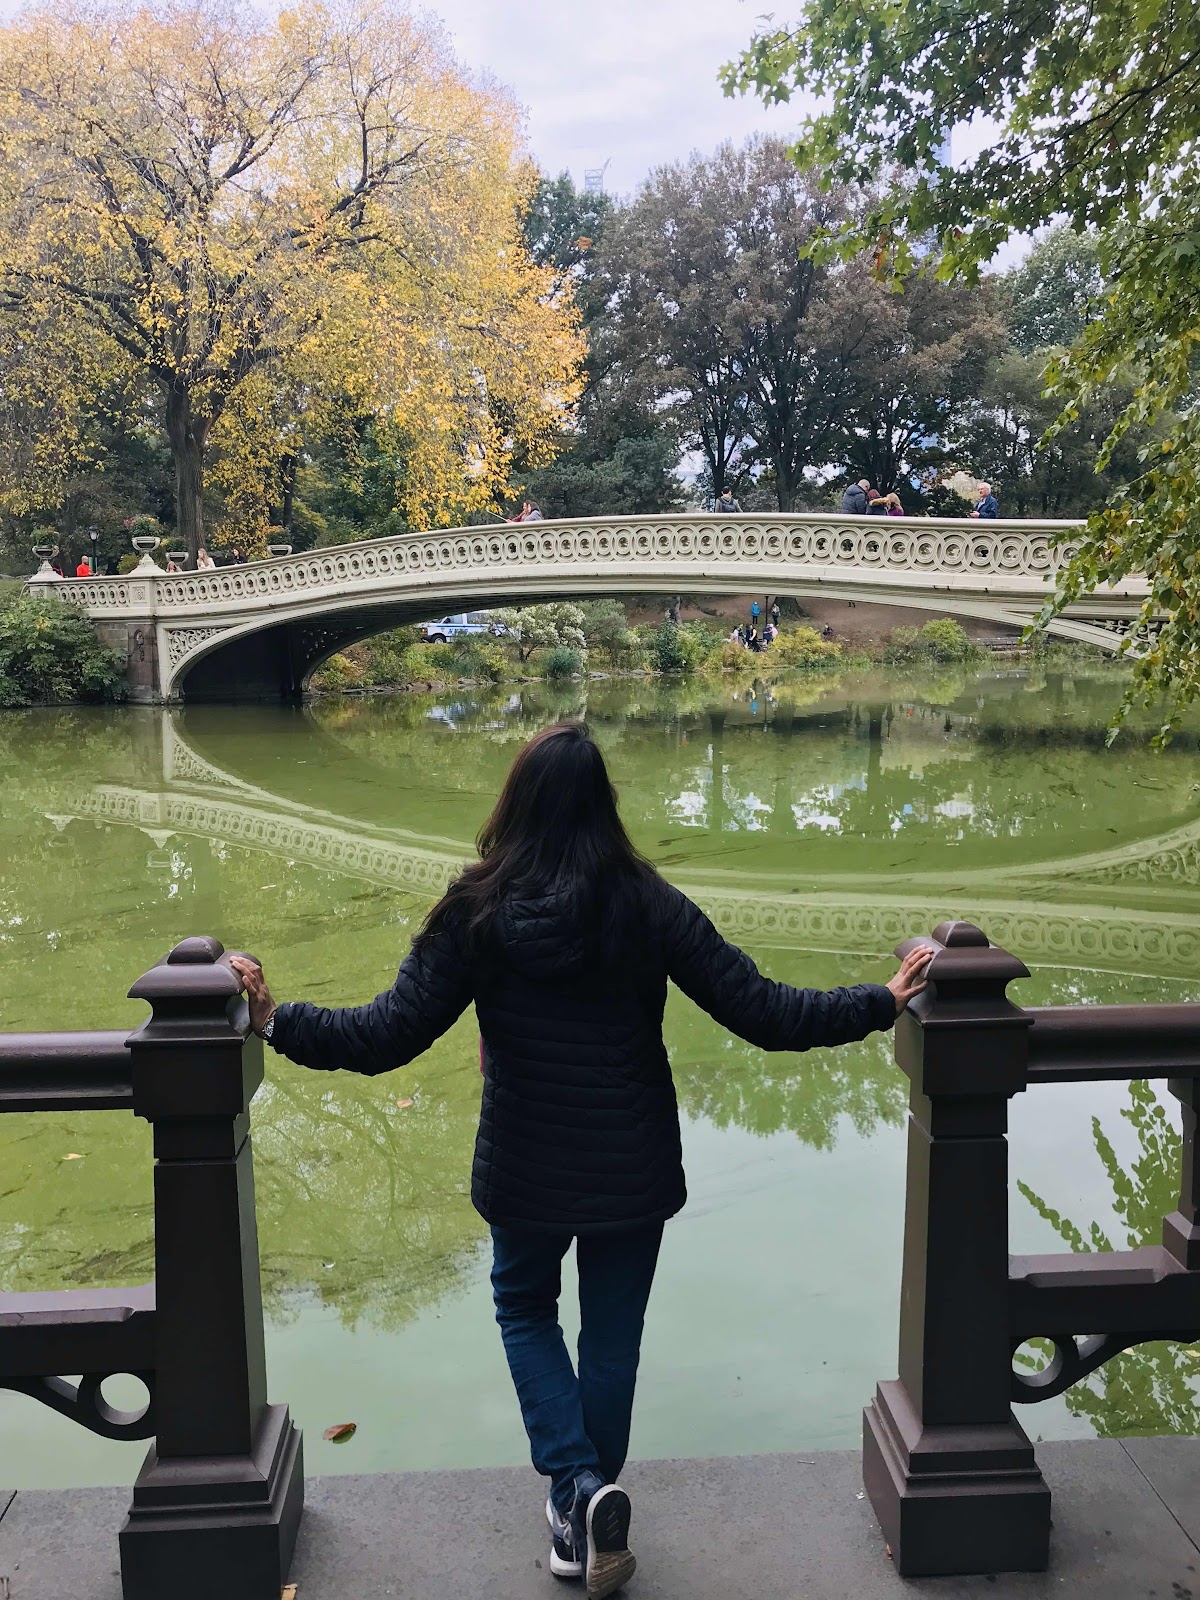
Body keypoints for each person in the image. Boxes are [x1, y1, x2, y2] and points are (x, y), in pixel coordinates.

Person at [229, 724, 933, 1599]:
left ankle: (578, 1490)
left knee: (524, 1309)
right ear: (605, 807)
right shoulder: (648, 903)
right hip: (630, 1163)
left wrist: (272, 1019)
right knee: (612, 1336)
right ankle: (586, 1503)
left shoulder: (475, 909)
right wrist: (881, 1000)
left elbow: (386, 1034)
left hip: (525, 1161)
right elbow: (764, 1011)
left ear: (513, 802)